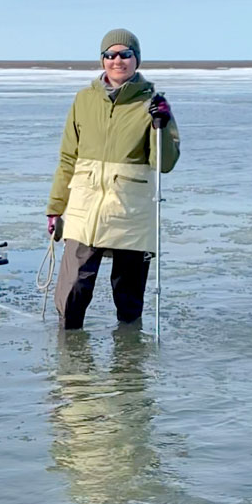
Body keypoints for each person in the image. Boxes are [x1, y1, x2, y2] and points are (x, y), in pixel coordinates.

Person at [46, 29, 179, 329]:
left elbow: (165, 164)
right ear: (103, 60)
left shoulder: (153, 103)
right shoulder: (83, 100)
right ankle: (69, 365)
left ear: (137, 60)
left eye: (125, 54)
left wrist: (162, 126)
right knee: (73, 290)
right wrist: (55, 207)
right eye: (110, 54)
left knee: (129, 297)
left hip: (130, 210)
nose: (117, 60)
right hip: (86, 208)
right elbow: (68, 158)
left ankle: (129, 364)